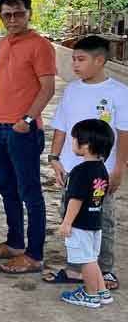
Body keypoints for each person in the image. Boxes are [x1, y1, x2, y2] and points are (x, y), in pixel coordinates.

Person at [0, 0, 56, 273]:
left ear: (29, 13)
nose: (12, 19)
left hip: (22, 130)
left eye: (18, 13)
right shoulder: (3, 44)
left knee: (30, 192)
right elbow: (1, 84)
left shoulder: (41, 46)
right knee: (7, 188)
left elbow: (48, 88)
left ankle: (34, 256)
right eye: (7, 14)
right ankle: (14, 243)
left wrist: (26, 119)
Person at [44, 35, 124, 292]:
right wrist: (55, 158)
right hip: (71, 170)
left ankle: (105, 269)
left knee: (101, 219)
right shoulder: (72, 90)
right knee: (70, 217)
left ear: (99, 60)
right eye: (73, 59)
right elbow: (60, 127)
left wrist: (119, 169)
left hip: (102, 172)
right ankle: (75, 269)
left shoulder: (119, 93)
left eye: (81, 59)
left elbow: (124, 134)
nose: (75, 65)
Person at [56, 119, 114, 308]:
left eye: (74, 139)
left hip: (80, 225)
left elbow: (76, 199)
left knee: (85, 261)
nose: (72, 142)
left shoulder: (80, 171)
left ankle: (90, 295)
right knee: (91, 258)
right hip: (94, 222)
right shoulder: (102, 169)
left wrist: (66, 222)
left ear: (86, 145)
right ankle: (102, 291)